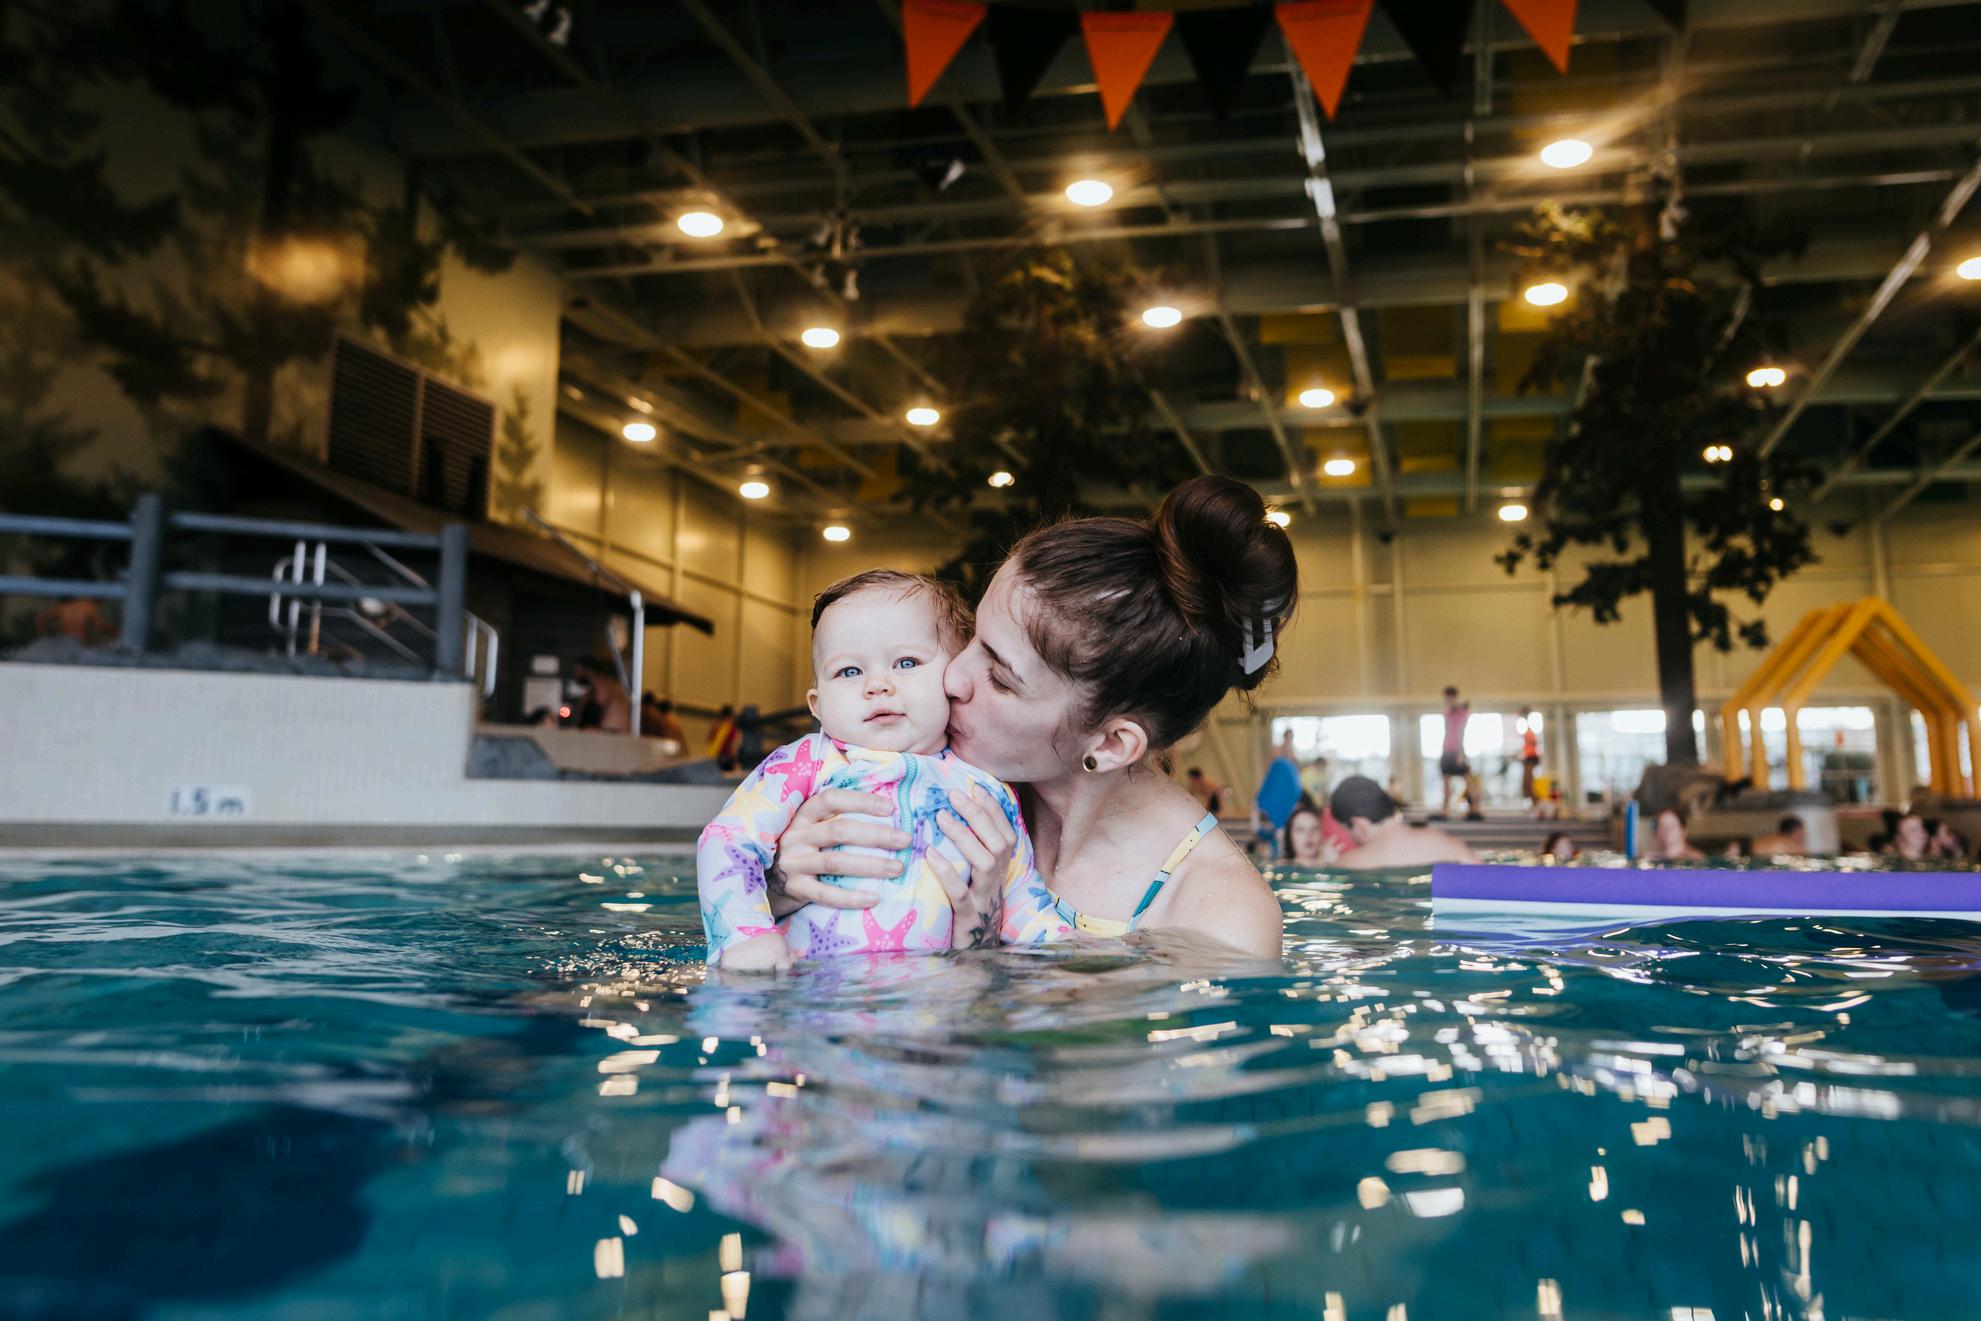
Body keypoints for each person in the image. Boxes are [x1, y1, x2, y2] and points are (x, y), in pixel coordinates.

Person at [759, 475, 1293, 960]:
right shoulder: (932, 771)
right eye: (973, 638)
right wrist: (780, 885)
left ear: (1111, 744)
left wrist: (982, 951)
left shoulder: (1220, 922)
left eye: (1000, 677)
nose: (952, 677)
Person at [696, 571, 1035, 972]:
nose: (877, 685)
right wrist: (746, 935)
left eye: (906, 662)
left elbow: (1024, 897)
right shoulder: (805, 762)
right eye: (849, 671)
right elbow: (728, 842)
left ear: (954, 678)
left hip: (934, 996)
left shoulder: (986, 786)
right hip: (810, 988)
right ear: (818, 705)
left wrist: (1064, 960)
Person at [1327, 775, 1477, 870]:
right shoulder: (1451, 846)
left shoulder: (1349, 864)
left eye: (1348, 833)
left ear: (1360, 826)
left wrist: (1323, 864)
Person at [1253, 729, 1303, 855]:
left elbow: (1295, 772)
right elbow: (1271, 772)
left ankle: (1278, 849)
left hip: (1286, 794)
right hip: (1278, 793)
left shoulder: (1292, 753)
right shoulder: (1278, 752)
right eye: (1288, 736)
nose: (1289, 739)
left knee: (1280, 831)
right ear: (1285, 736)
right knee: (1272, 829)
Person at [1438, 686, 1481, 820]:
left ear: (1454, 697)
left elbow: (1461, 732)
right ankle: (1445, 809)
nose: (1448, 700)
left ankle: (1475, 808)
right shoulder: (1446, 712)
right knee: (1446, 781)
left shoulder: (1461, 712)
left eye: (1450, 698)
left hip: (1458, 751)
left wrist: (1461, 753)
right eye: (1446, 698)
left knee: (1468, 779)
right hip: (1446, 751)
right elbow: (1446, 732)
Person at [571, 656, 631, 733]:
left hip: (609, 737)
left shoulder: (611, 692)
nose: (575, 674)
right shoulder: (589, 695)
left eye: (578, 670)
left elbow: (614, 730)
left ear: (589, 670)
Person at [1517, 708, 1541, 811]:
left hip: (1531, 759)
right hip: (1528, 758)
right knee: (1526, 784)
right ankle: (1533, 804)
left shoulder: (1530, 732)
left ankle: (1536, 804)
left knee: (1528, 783)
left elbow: (1533, 744)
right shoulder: (1527, 731)